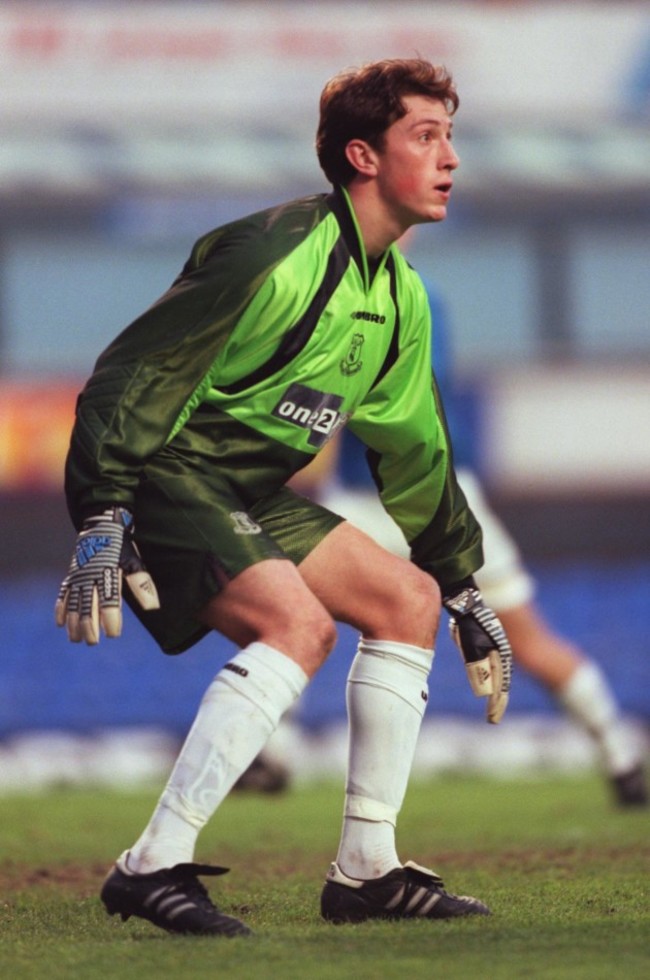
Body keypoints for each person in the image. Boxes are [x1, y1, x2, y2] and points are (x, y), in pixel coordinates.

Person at [55, 58, 514, 938]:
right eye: (427, 136)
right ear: (363, 155)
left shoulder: (400, 296)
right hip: (167, 469)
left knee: (406, 600)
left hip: (246, 487)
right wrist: (105, 510)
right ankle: (150, 866)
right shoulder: (274, 250)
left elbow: (414, 450)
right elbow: (133, 373)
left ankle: (366, 873)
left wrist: (459, 582)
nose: (451, 157)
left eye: (451, 136)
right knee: (297, 628)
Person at [317, 276, 648, 809]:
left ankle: (619, 751)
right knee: (288, 617)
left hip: (434, 492)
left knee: (525, 638)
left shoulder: (412, 297)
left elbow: (414, 388)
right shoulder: (325, 294)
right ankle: (272, 754)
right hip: (362, 498)